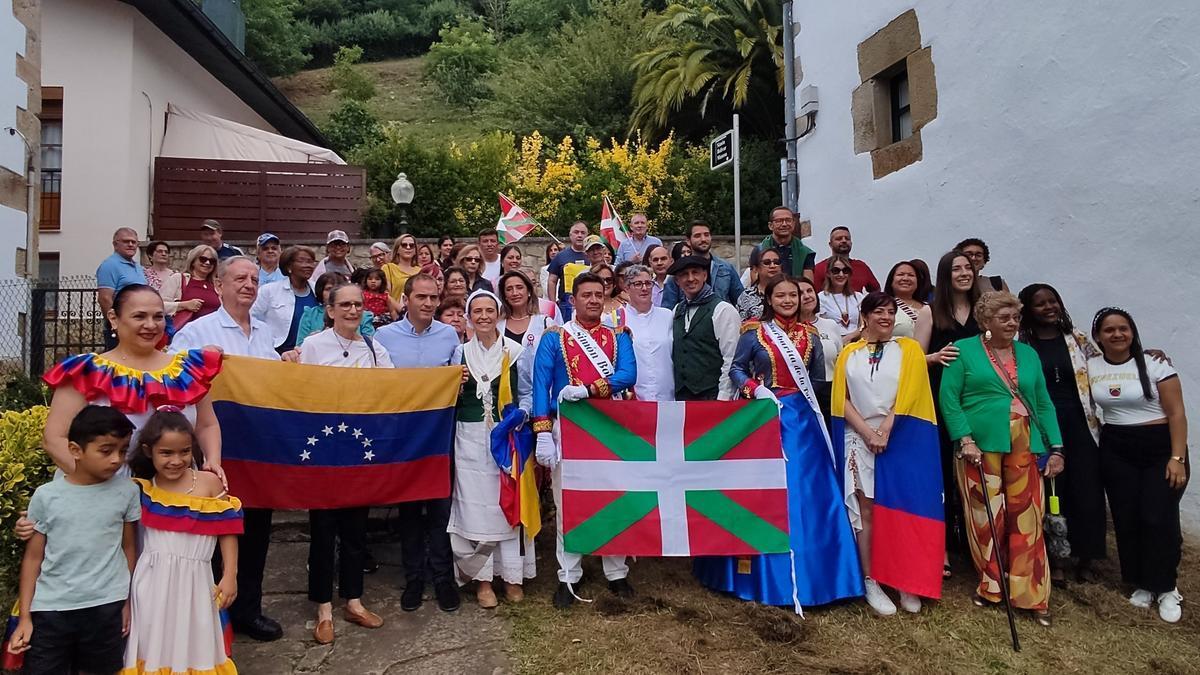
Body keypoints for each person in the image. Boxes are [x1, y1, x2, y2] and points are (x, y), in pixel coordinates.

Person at [695, 276, 862, 609]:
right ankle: (756, 574)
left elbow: (817, 380)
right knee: (759, 490)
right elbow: (737, 369)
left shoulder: (811, 335)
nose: (787, 300)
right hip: (763, 416)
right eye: (780, 295)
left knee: (807, 489)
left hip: (802, 421)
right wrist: (754, 389)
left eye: (793, 295)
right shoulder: (753, 332)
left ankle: (820, 576)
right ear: (769, 300)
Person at [170, 256, 284, 642]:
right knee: (213, 533)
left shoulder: (266, 334)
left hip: (260, 450)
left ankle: (248, 611)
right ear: (219, 286)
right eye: (240, 278)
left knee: (256, 532)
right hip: (216, 449)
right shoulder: (196, 332)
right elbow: (177, 386)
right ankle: (209, 618)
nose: (249, 284)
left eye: (254, 279)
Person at [940, 291, 1063, 626]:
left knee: (1027, 515)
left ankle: (1030, 592)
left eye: (1015, 318)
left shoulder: (1028, 354)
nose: (1012, 323)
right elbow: (949, 399)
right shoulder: (963, 350)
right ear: (986, 321)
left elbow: (1043, 402)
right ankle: (992, 584)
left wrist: (1056, 447)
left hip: (1025, 440)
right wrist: (965, 439)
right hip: (980, 444)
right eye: (1004, 318)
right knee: (986, 515)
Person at [6, 406, 140, 674]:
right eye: (106, 450)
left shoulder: (128, 491)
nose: (116, 459)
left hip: (106, 606)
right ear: (75, 450)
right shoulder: (47, 496)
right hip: (51, 609)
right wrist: (25, 618)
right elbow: (33, 558)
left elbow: (128, 547)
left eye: (123, 451)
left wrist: (126, 603)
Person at [531, 273, 637, 608]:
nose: (592, 300)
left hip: (610, 428)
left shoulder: (619, 336)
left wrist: (589, 390)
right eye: (586, 294)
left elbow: (628, 374)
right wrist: (542, 432)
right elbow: (540, 385)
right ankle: (568, 574)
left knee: (615, 499)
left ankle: (616, 572)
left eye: (597, 294)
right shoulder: (554, 337)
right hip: (570, 428)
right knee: (569, 502)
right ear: (572, 300)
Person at [834, 292, 944, 615]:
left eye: (891, 312)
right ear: (865, 316)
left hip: (901, 435)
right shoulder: (848, 354)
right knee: (867, 509)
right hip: (859, 436)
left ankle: (904, 578)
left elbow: (912, 393)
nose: (886, 317)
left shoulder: (908, 349)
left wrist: (885, 430)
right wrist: (868, 433)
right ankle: (871, 580)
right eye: (879, 311)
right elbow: (841, 399)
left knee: (900, 507)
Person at [42, 284, 224, 479]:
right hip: (101, 489)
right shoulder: (85, 371)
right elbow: (54, 438)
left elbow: (206, 425)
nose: (151, 325)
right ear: (113, 318)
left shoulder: (187, 369)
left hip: (177, 489)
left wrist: (212, 461)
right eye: (139, 316)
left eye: (158, 317)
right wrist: (98, 483)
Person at [299, 283, 392, 643]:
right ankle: (323, 607)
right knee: (323, 530)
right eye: (346, 305)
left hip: (358, 450)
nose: (353, 311)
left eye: (358, 305)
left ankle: (354, 600)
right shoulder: (313, 345)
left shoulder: (373, 348)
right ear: (331, 310)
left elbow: (394, 388)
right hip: (324, 449)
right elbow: (301, 392)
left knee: (356, 530)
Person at [1088, 308, 1189, 623]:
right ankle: (1142, 582)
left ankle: (1166, 587)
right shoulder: (1090, 366)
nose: (1117, 334)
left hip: (1160, 446)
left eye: (1124, 328)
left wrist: (1177, 458)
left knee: (1158, 517)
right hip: (1117, 447)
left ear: (1132, 332)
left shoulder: (1156, 365)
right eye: (1109, 330)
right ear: (1098, 337)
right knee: (1127, 517)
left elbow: (1177, 414)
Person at [123, 409, 242, 675]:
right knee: (154, 646)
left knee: (197, 648)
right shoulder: (141, 489)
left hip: (197, 583)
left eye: (184, 452)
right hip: (151, 584)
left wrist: (230, 575)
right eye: (166, 453)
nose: (176, 461)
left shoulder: (210, 484)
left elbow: (228, 531)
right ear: (148, 451)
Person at [373, 274, 465, 613]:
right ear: (406, 299)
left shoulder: (449, 335)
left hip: (439, 434)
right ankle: (413, 577)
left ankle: (442, 577)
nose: (428, 303)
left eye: (433, 298)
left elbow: (456, 379)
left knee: (441, 507)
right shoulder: (384, 337)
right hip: (403, 435)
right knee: (410, 509)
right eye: (421, 297)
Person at [450, 290, 535, 608]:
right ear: (469, 317)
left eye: (489, 310)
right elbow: (449, 396)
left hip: (506, 438)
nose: (483, 316)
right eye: (477, 311)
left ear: (498, 314)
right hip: (468, 438)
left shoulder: (515, 351)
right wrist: (456, 386)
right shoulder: (459, 353)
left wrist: (520, 415)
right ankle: (482, 580)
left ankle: (511, 576)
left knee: (506, 504)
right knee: (475, 507)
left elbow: (527, 392)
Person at [1017, 283, 1106, 583]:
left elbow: (1109, 362)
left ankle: (1087, 555)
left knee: (1087, 488)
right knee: (1053, 489)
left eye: (1052, 301)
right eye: (1040, 303)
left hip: (1080, 422)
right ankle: (1056, 556)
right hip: (1042, 423)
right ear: (1028, 310)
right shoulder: (1022, 344)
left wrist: (1148, 355)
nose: (1048, 307)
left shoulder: (1077, 339)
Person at [928, 250, 982, 566]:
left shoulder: (983, 311)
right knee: (943, 476)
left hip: (978, 400)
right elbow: (913, 358)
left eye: (968, 267)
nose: (964, 273)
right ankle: (944, 545)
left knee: (979, 471)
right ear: (945, 276)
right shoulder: (931, 312)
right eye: (956, 269)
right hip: (941, 399)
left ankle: (978, 545)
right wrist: (934, 357)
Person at [668, 256, 739, 401]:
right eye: (684, 275)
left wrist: (724, 397)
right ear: (677, 281)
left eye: (695, 272)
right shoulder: (677, 310)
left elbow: (731, 358)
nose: (690, 278)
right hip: (682, 396)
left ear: (705, 276)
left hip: (713, 396)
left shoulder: (723, 310)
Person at [621, 264, 674, 401]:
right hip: (634, 398)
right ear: (627, 288)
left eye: (648, 283)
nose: (644, 288)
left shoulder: (667, 316)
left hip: (666, 396)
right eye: (638, 284)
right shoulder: (617, 319)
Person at [252, 245, 319, 354]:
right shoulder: (269, 291)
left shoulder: (318, 290)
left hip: (310, 353)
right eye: (302, 261)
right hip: (276, 353)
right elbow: (252, 319)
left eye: (310, 262)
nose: (308, 265)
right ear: (289, 266)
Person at [661, 221, 744, 308]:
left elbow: (741, 302)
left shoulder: (726, 268)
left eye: (706, 235)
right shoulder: (679, 271)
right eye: (697, 236)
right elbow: (668, 309)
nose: (703, 239)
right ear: (688, 241)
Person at [797, 277, 843, 421]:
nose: (807, 296)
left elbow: (839, 361)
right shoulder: (785, 330)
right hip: (801, 395)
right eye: (800, 293)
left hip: (830, 394)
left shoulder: (831, 325)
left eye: (810, 291)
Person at [96, 227, 148, 350]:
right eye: (126, 241)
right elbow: (104, 298)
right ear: (115, 244)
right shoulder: (109, 265)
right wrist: (116, 325)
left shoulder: (138, 267)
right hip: (122, 327)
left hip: (138, 325)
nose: (130, 244)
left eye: (133, 242)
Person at [296, 272, 375, 347]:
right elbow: (300, 345)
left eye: (337, 289)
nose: (333, 292)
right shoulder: (310, 314)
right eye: (329, 289)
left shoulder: (361, 314)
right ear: (321, 291)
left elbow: (370, 343)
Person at [160, 244, 221, 332]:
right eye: (203, 259)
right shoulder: (178, 279)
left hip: (213, 333)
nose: (207, 263)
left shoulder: (217, 285)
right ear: (193, 261)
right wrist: (183, 305)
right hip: (185, 333)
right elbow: (158, 306)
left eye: (212, 261)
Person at [498, 271, 559, 354]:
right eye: (509, 289)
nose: (515, 293)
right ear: (504, 295)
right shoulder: (497, 324)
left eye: (519, 287)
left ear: (529, 291)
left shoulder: (545, 323)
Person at [546, 222, 593, 319]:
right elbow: (552, 280)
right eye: (576, 232)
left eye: (583, 233)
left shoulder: (593, 255)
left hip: (589, 303)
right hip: (566, 306)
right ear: (570, 235)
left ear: (587, 235)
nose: (579, 235)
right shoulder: (560, 256)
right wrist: (553, 304)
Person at [811, 226, 880, 292]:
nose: (844, 241)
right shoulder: (820, 268)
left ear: (851, 243)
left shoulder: (862, 266)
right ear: (830, 244)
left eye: (847, 238)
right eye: (839, 238)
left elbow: (876, 290)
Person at [756, 206, 815, 281]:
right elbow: (756, 280)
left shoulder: (805, 253)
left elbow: (808, 283)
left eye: (788, 220)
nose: (784, 224)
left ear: (794, 224)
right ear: (770, 226)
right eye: (779, 221)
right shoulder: (759, 250)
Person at [884, 260, 933, 350]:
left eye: (911, 275)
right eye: (900, 274)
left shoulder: (930, 308)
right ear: (891, 280)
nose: (905, 278)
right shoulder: (882, 307)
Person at [818, 254, 867, 340]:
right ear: (828, 273)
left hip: (856, 342)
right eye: (836, 271)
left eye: (845, 271)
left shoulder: (858, 297)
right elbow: (822, 327)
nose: (841, 274)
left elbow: (864, 325)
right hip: (832, 341)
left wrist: (849, 337)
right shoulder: (821, 298)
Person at [736, 247, 784, 321]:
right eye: (767, 262)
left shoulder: (791, 292)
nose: (772, 266)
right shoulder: (746, 296)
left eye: (776, 262)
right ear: (756, 268)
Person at [381, 234, 422, 303]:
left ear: (415, 251)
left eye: (411, 245)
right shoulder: (388, 268)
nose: (408, 247)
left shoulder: (421, 270)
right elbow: (386, 295)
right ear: (397, 250)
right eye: (404, 245)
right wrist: (400, 308)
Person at [592, 263, 625, 328]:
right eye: (600, 280)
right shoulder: (585, 306)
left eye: (609, 280)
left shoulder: (624, 304)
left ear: (614, 283)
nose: (605, 283)